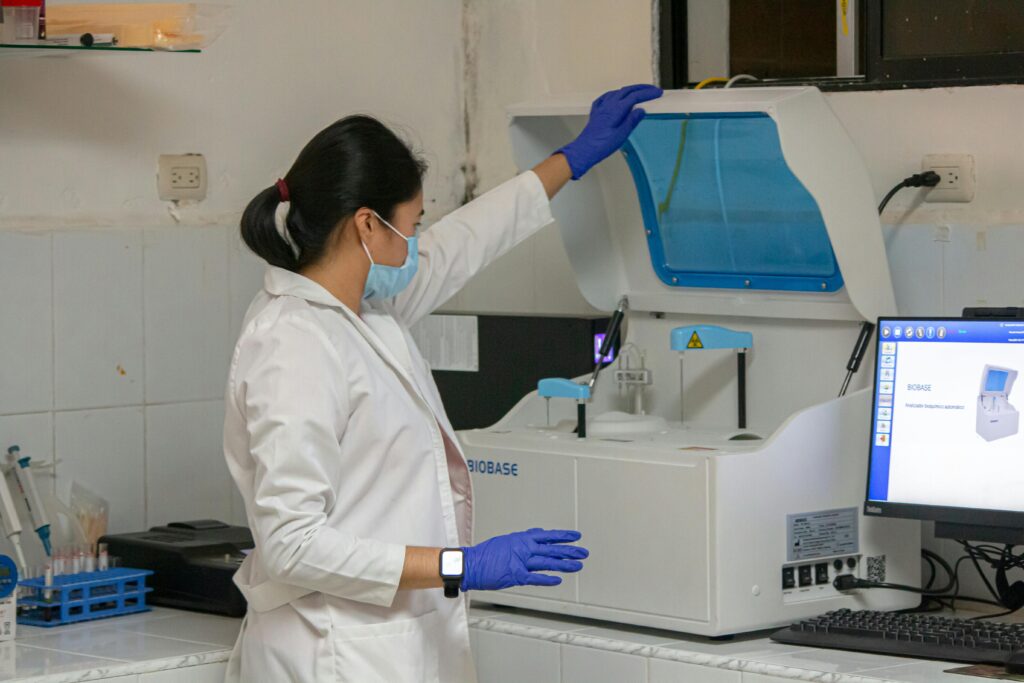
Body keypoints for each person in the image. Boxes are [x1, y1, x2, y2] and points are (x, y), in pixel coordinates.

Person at [222, 83, 663, 682]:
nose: (419, 243)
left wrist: (570, 161)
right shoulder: (294, 342)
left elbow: (464, 245)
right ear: (367, 226)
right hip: (328, 653)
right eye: (413, 225)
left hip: (386, 649)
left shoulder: (367, 314)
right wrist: (459, 564)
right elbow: (292, 544)